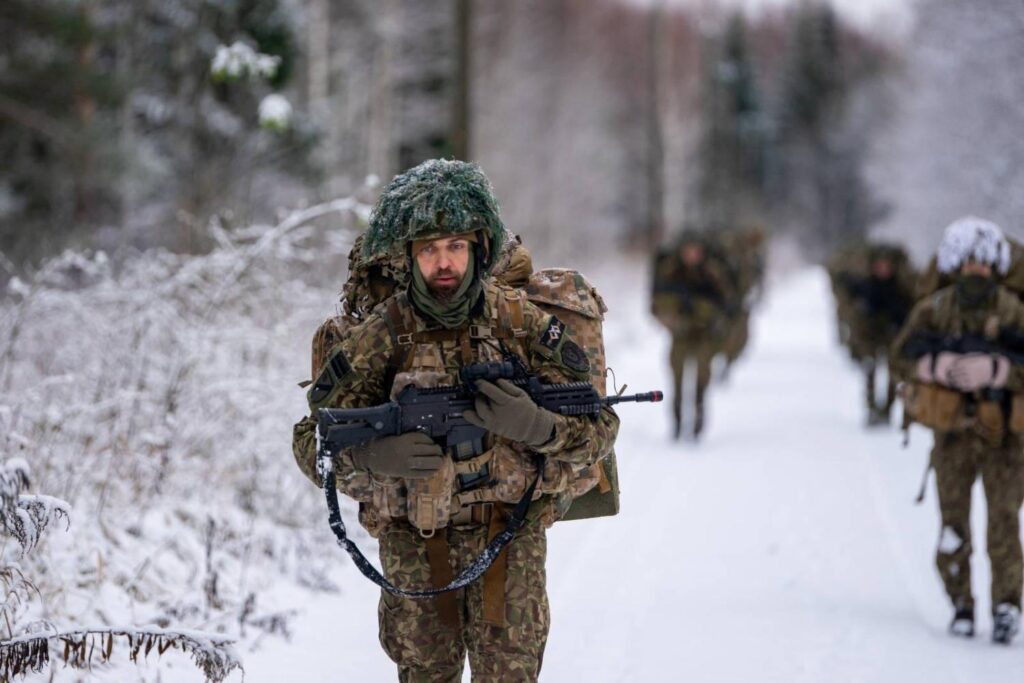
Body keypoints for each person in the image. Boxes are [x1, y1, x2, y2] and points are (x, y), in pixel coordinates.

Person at [292, 159, 619, 681]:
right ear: (410, 256)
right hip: (414, 546)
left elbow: (601, 429)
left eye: (456, 247)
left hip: (509, 537)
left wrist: (538, 426)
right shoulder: (380, 336)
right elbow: (313, 441)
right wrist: (374, 458)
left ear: (478, 249)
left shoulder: (520, 323)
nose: (444, 263)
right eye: (429, 250)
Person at [891, 216, 1024, 644]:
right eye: (967, 262)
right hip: (953, 437)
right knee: (953, 525)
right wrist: (933, 366)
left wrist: (1002, 370)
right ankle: (961, 602)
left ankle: (1006, 606)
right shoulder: (935, 310)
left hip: (1004, 437)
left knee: (1003, 523)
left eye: (983, 263)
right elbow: (900, 356)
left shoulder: (1013, 311)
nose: (975, 271)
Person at [650, 234, 736, 440]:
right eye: (688, 251)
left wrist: (706, 314)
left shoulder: (712, 272)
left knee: (701, 378)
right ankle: (677, 422)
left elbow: (726, 303)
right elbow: (657, 304)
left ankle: (698, 420)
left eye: (696, 251)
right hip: (680, 334)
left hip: (704, 335)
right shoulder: (671, 271)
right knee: (677, 378)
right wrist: (674, 320)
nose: (692, 256)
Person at [830, 242, 916, 425]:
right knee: (870, 371)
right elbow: (853, 301)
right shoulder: (867, 286)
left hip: (893, 336)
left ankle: (887, 410)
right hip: (871, 336)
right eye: (879, 266)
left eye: (886, 266)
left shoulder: (898, 290)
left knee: (893, 374)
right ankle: (871, 408)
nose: (882, 270)